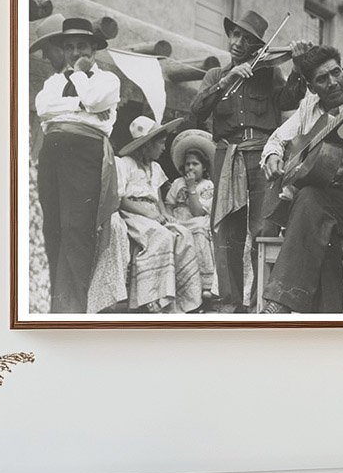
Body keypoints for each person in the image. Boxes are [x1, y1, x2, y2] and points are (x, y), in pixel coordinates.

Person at [188, 10, 308, 312]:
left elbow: (288, 102)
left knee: (263, 229)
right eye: (235, 35)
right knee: (227, 231)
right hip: (226, 155)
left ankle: (261, 303)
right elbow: (196, 111)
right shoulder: (216, 75)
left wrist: (297, 66)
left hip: (261, 153)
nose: (238, 42)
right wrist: (227, 79)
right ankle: (230, 303)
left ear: (257, 47)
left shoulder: (268, 73)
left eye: (247, 39)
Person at [259, 45, 343, 314]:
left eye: (336, 72)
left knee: (310, 199)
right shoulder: (308, 109)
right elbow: (277, 138)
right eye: (322, 78)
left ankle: (279, 302)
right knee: (321, 226)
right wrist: (273, 155)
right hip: (312, 211)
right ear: (311, 86)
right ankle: (328, 325)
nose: (332, 82)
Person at [35, 17, 121, 313]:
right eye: (69, 47)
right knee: (52, 227)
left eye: (82, 46)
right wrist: (80, 106)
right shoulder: (55, 81)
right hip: (52, 152)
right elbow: (43, 109)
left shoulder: (108, 80)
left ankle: (74, 308)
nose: (74, 53)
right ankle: (55, 304)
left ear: (93, 50)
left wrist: (82, 83)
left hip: (85, 153)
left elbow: (95, 99)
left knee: (77, 228)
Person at [116, 114, 203, 313]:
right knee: (162, 236)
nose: (163, 148)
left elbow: (157, 196)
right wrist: (149, 214)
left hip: (153, 213)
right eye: (161, 144)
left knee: (182, 233)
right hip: (134, 213)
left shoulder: (155, 167)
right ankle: (153, 298)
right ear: (146, 145)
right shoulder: (126, 164)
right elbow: (121, 200)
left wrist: (164, 215)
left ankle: (183, 298)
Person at [166, 128, 218, 301]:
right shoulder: (177, 182)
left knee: (200, 229)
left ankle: (205, 284)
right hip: (178, 220)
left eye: (195, 164)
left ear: (204, 167)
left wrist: (191, 188)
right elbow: (169, 204)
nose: (190, 167)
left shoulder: (207, 185)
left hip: (196, 221)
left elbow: (198, 212)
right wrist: (169, 217)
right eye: (188, 164)